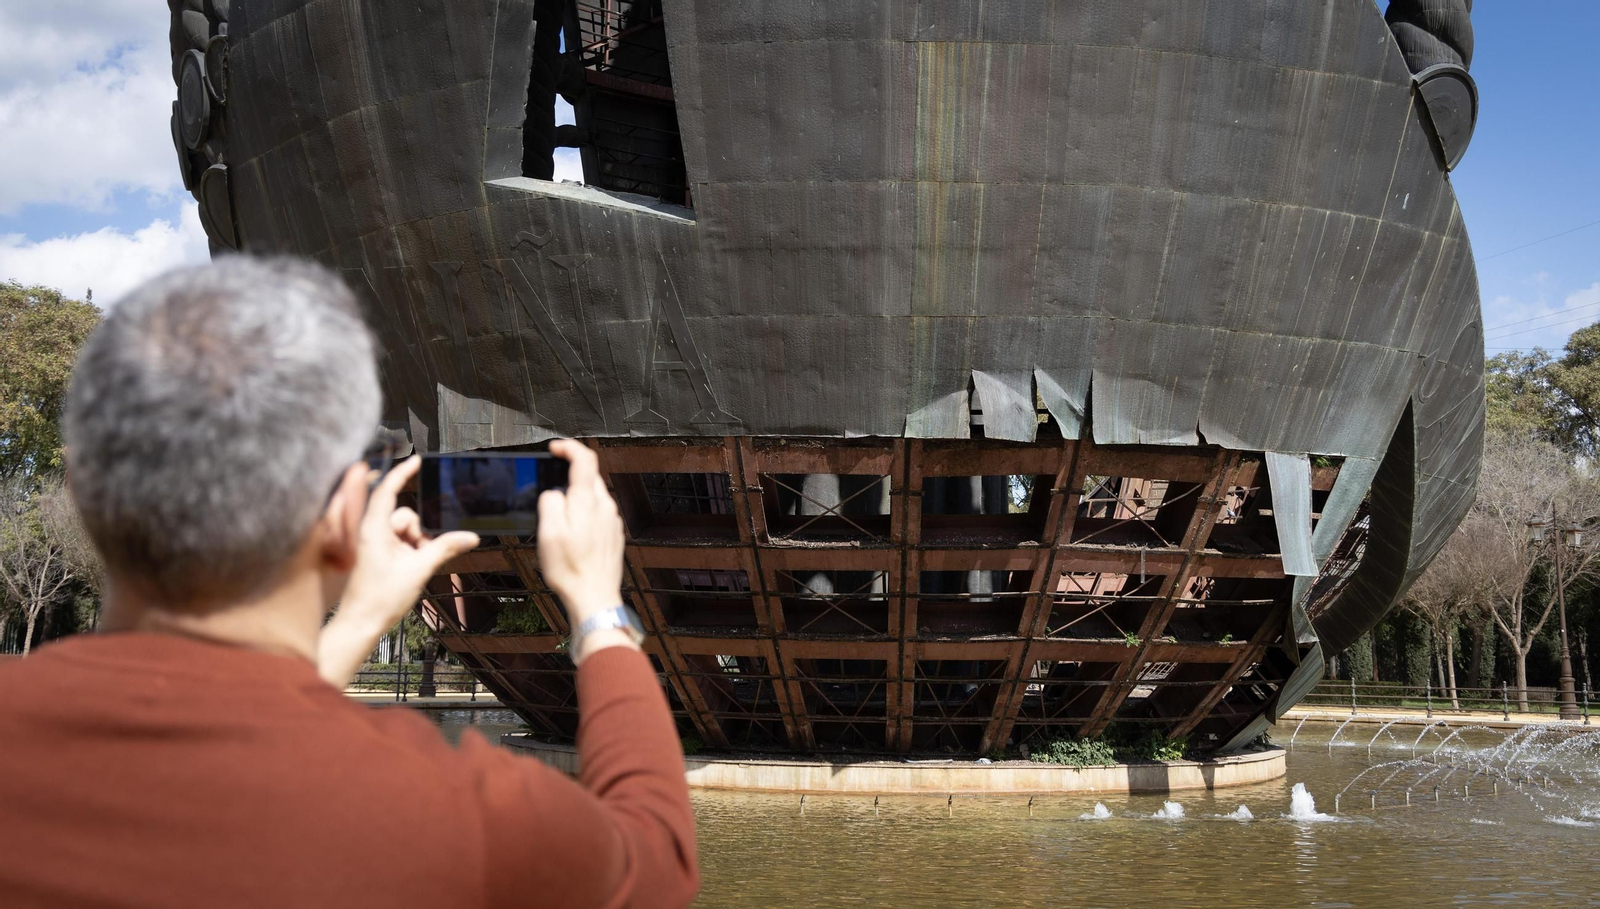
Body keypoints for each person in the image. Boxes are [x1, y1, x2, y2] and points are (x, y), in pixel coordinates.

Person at [0, 258, 697, 908]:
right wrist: (599, 610)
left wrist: (362, 620)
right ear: (342, 516)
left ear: (84, 491)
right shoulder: (453, 811)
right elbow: (657, 860)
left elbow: (208, 745)